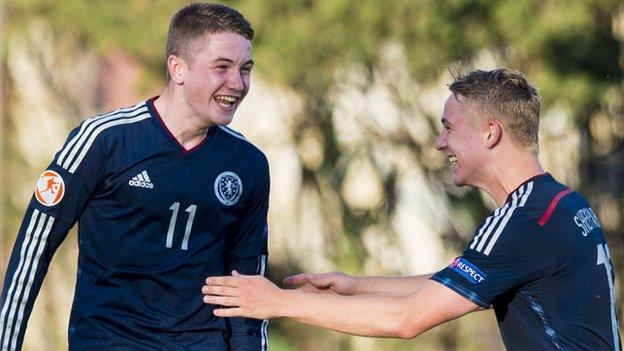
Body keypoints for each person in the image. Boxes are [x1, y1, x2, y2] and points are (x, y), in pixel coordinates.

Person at [203, 69, 622, 350]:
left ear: (490, 133)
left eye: (449, 128)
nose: (441, 143)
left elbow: (409, 319)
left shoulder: (523, 223)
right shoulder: (561, 204)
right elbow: (449, 285)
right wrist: (357, 285)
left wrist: (276, 303)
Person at [0, 3, 269, 350]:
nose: (238, 83)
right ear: (177, 68)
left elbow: (247, 292)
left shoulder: (248, 164)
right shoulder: (103, 141)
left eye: (245, 69)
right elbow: (34, 249)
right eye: (222, 68)